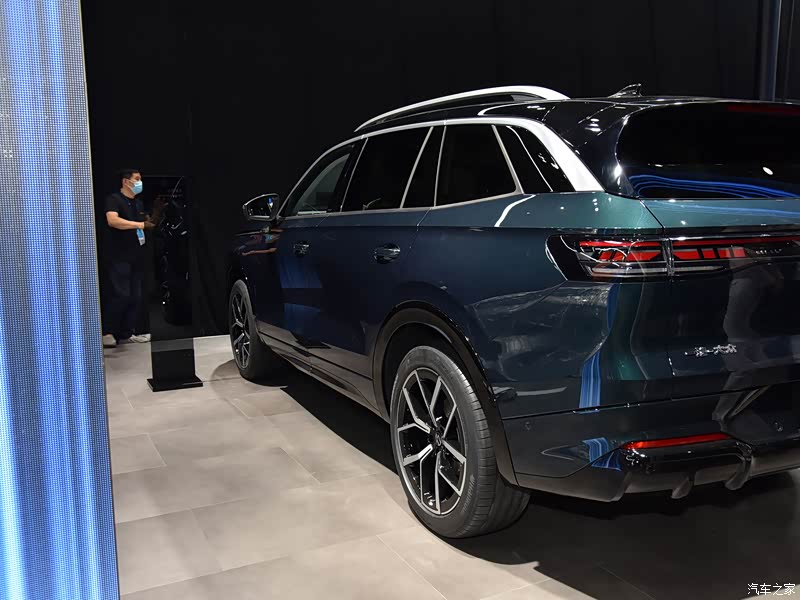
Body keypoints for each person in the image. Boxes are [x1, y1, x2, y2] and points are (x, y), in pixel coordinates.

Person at [102, 169, 153, 348]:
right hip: (118, 256)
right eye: (136, 179)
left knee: (135, 296)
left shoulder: (138, 203)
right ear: (126, 181)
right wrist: (139, 224)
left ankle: (126, 333)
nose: (139, 182)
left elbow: (147, 222)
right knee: (120, 294)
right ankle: (107, 331)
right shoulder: (114, 200)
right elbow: (112, 220)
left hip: (136, 255)